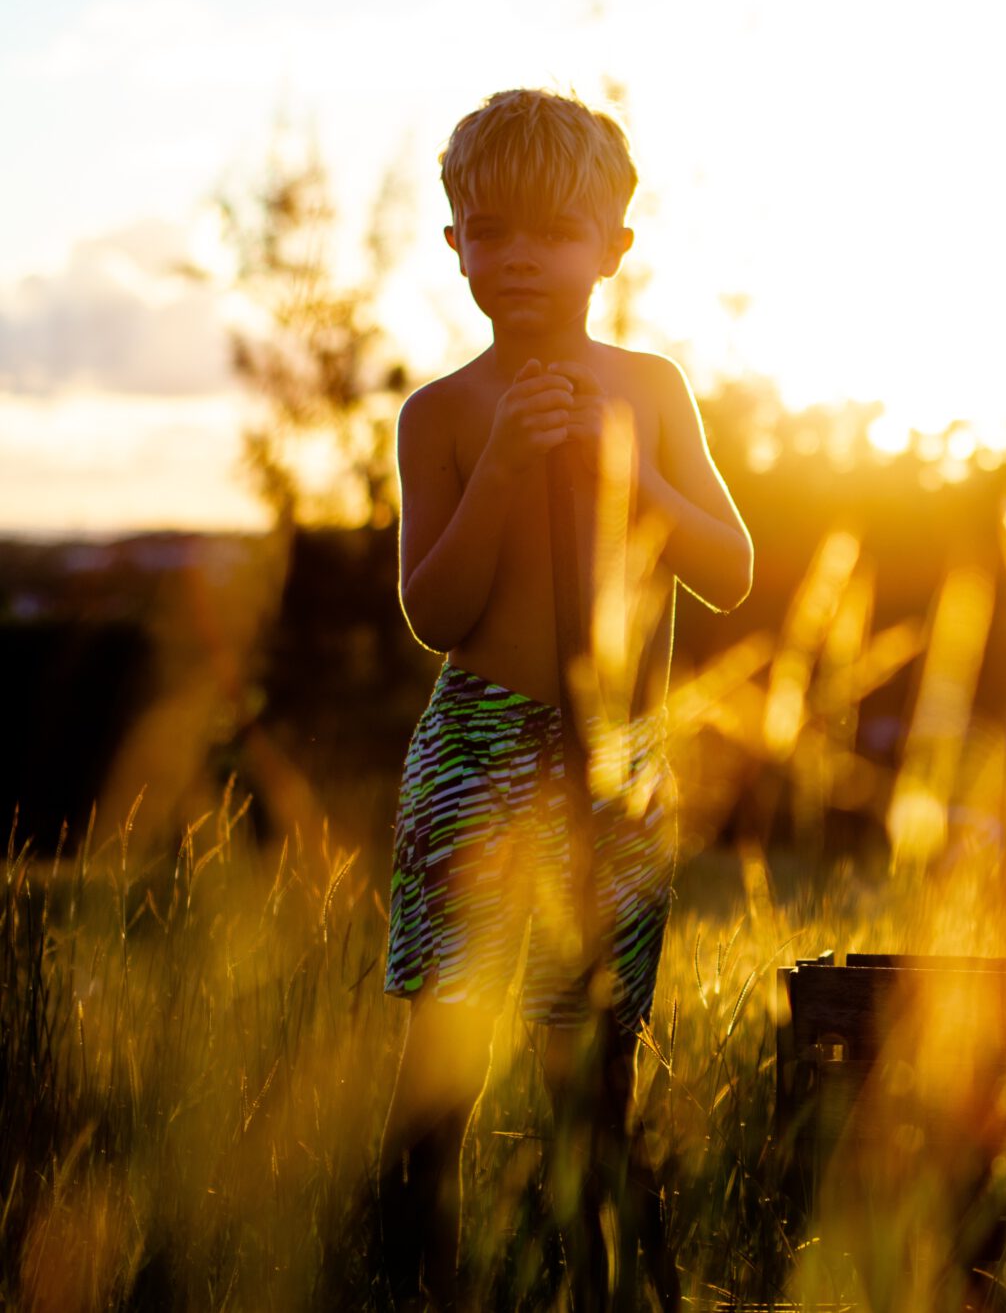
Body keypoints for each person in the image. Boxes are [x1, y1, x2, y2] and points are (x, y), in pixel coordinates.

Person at [376, 88, 752, 1311]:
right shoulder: (439, 415)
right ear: (453, 248)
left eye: (551, 230)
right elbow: (435, 610)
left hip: (615, 761)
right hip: (479, 748)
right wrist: (501, 466)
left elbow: (729, 569)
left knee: (590, 1065)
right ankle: (415, 1276)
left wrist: (631, 476)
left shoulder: (650, 389)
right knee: (449, 1055)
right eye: (488, 231)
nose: (517, 256)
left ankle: (610, 1282)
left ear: (612, 248)